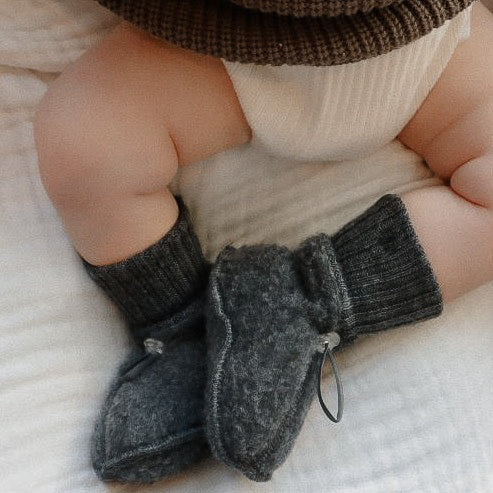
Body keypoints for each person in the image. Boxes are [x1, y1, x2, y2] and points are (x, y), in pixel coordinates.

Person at [33, 0, 493, 485]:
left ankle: (301, 304)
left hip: (429, 42)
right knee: (84, 141)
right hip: (227, 43)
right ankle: (186, 326)